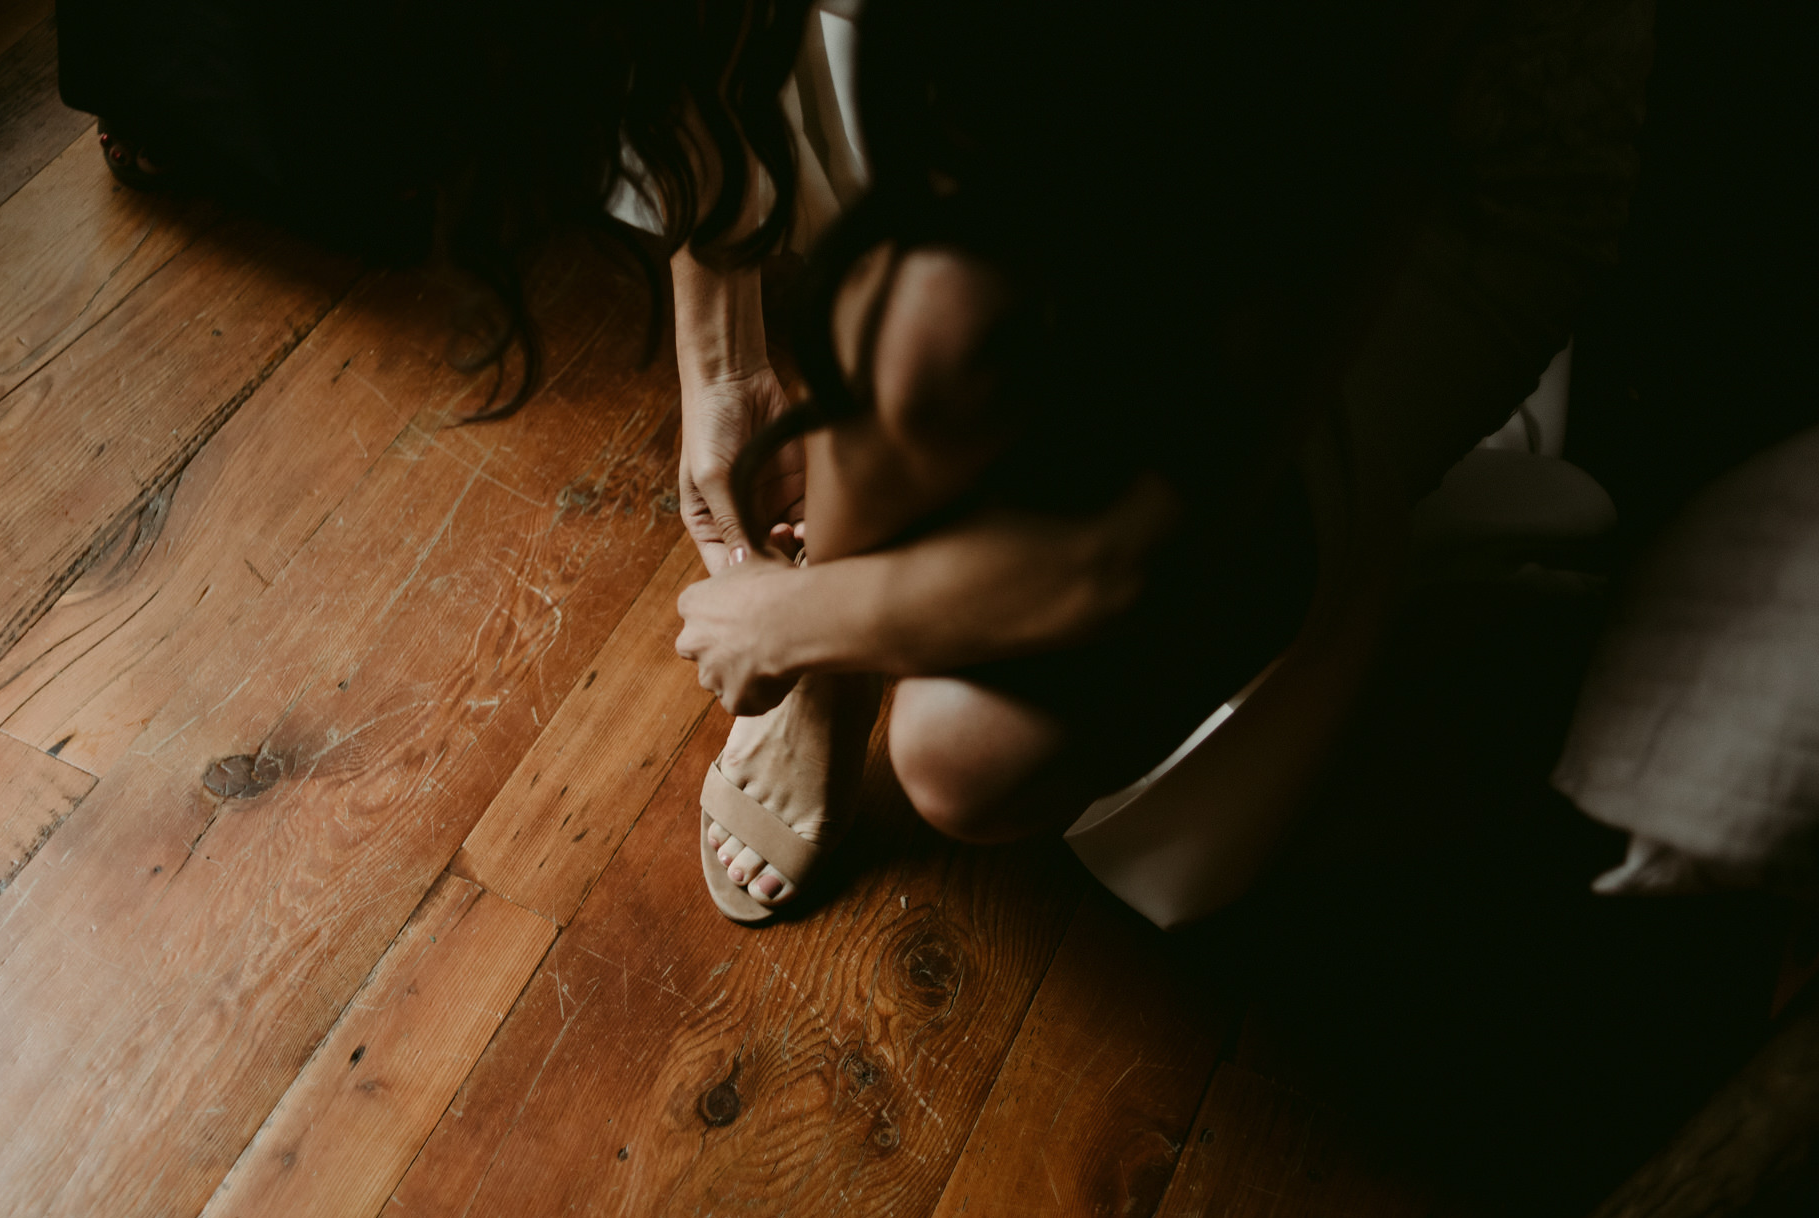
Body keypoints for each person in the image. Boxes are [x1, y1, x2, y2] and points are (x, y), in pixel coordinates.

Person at [670, 0, 1653, 921]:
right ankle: (828, 699)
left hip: (1421, 183)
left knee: (964, 752)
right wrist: (719, 361)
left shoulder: (1344, 74)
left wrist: (797, 618)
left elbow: (1127, 549)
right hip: (1081, 91)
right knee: (917, 326)